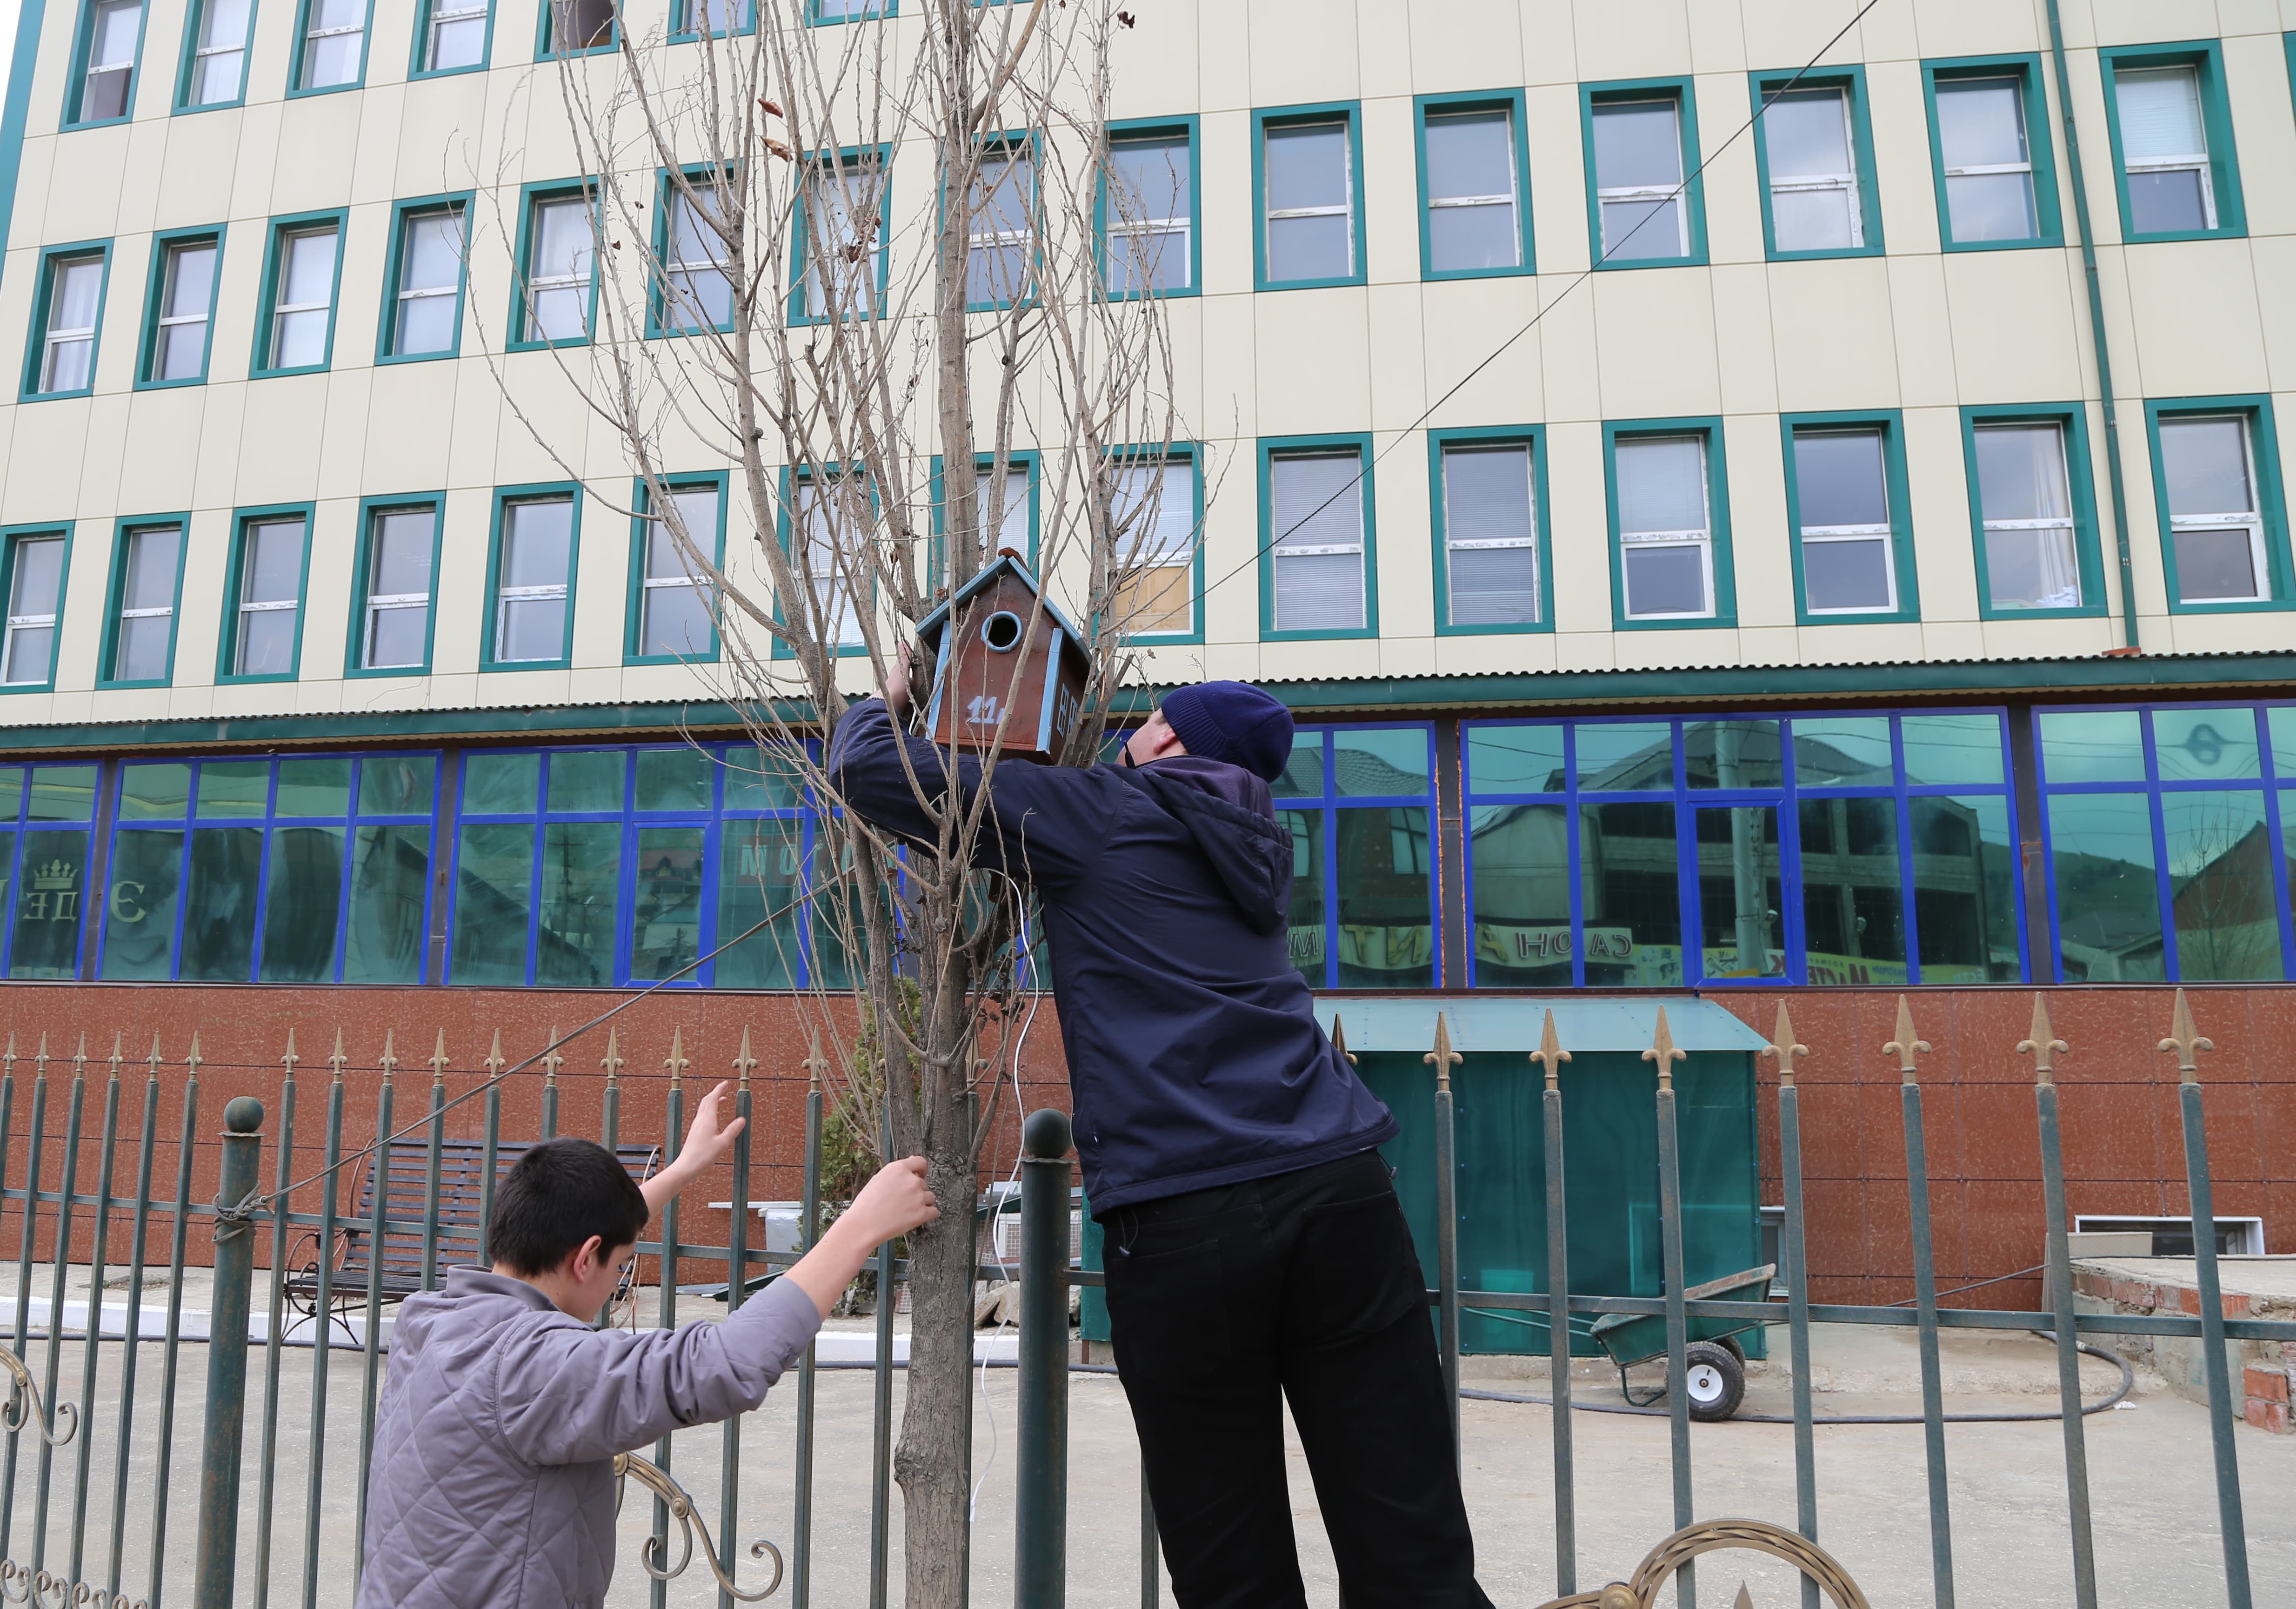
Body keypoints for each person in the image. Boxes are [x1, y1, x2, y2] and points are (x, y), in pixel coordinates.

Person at [831, 670, 1494, 1609]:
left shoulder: (1099, 810)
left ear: (1173, 743)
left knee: (1232, 1565)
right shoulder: (1259, 845)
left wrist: (895, 693)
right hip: (1340, 1189)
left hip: (1189, 1218)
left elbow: (869, 771)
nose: (1131, 735)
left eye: (1146, 722)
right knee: (1412, 1544)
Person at [356, 1082, 939, 1609]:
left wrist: (685, 1170)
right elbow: (722, 1365)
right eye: (623, 1264)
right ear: (586, 1258)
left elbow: (582, 1239)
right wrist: (860, 1225)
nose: (620, 1281)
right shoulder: (531, 1365)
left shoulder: (431, 1321)